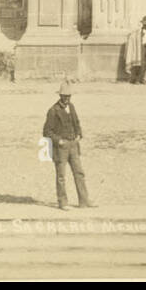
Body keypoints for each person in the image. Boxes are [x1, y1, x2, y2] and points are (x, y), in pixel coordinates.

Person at [43, 81, 94, 211]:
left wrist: (79, 134)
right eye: (65, 96)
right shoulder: (53, 111)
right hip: (61, 148)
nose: (67, 98)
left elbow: (77, 122)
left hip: (73, 145)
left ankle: (84, 200)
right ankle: (62, 202)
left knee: (79, 172)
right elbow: (47, 131)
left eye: (69, 96)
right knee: (61, 176)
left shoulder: (71, 107)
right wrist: (58, 141)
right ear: (60, 96)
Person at [126, 16, 146, 83]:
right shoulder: (138, 32)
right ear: (143, 24)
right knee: (138, 64)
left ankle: (142, 78)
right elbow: (134, 37)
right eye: (145, 24)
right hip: (140, 48)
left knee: (144, 65)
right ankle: (136, 79)